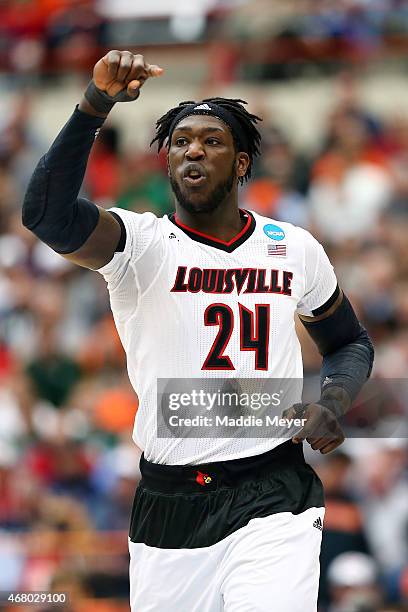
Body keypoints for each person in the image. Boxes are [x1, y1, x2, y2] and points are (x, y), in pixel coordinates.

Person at [22, 50, 374, 612]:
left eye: (211, 140)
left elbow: (350, 342)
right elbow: (45, 214)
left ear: (240, 164)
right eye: (181, 140)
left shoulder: (294, 247)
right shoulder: (139, 246)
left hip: (273, 489)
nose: (193, 149)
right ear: (168, 163)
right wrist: (96, 103)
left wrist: (333, 399)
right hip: (171, 497)